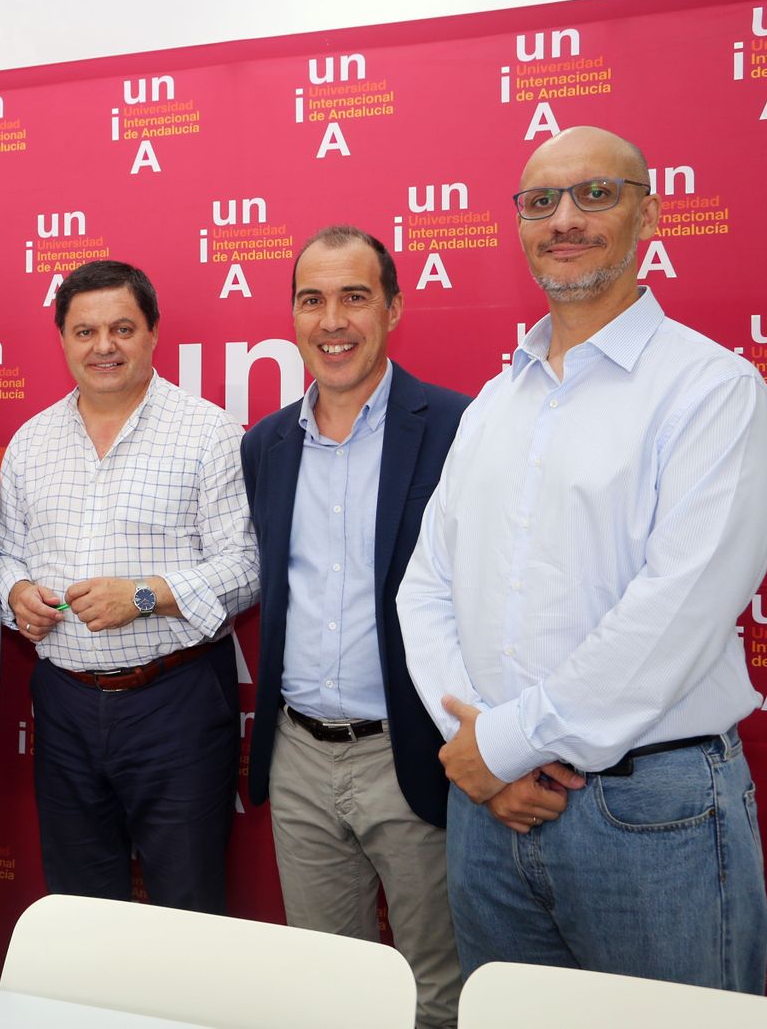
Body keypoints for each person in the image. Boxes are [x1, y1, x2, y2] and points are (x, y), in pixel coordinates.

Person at [397, 125, 767, 991]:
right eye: (540, 202)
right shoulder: (494, 403)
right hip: (487, 810)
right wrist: (479, 749)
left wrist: (499, 744)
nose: (564, 220)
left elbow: (674, 614)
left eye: (595, 195)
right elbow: (424, 587)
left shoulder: (713, 391)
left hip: (651, 816)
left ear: (648, 213)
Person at [241, 226, 467, 1028]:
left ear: (394, 308)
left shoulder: (456, 428)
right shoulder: (265, 444)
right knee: (327, 987)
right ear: (292, 317)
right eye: (312, 300)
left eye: (354, 297)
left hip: (411, 751)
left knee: (437, 989)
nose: (331, 320)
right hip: (299, 756)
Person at [0, 259, 259, 913]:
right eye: (85, 332)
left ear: (152, 334)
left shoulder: (210, 432)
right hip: (64, 705)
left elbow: (246, 566)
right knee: (79, 911)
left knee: (186, 906)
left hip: (176, 703)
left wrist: (142, 596)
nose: (103, 346)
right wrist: (16, 593)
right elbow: (3, 555)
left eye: (121, 329)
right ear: (62, 339)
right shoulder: (30, 442)